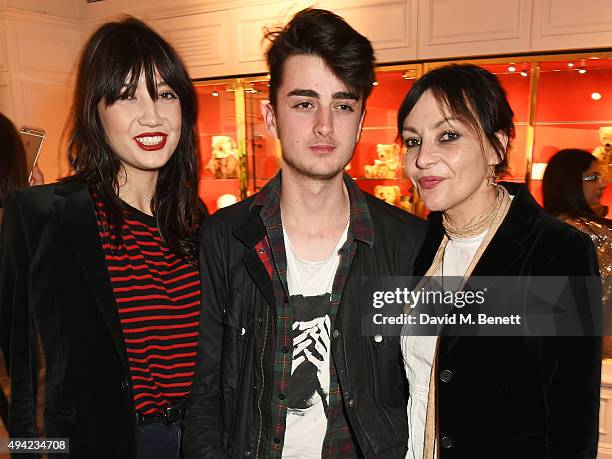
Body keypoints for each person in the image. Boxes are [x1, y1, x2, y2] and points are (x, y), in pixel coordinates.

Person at [183, 8, 425, 458]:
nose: (324, 126)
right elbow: (205, 396)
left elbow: (424, 392)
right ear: (271, 116)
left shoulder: (408, 243)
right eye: (304, 103)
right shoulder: (225, 238)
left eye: (343, 105)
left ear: (360, 119)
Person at [0, 17, 205, 458]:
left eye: (166, 94)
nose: (152, 115)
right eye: (127, 96)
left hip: (201, 441)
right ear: (96, 110)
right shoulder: (42, 218)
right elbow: (26, 385)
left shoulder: (197, 220)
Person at [397, 64, 602, 458]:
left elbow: (571, 420)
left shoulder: (555, 252)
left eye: (448, 136)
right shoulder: (420, 244)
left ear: (497, 145)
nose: (423, 159)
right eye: (412, 141)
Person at [543, 148, 611, 356]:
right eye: (591, 177)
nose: (601, 184)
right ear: (569, 183)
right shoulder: (593, 232)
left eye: (600, 177)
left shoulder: (538, 228)